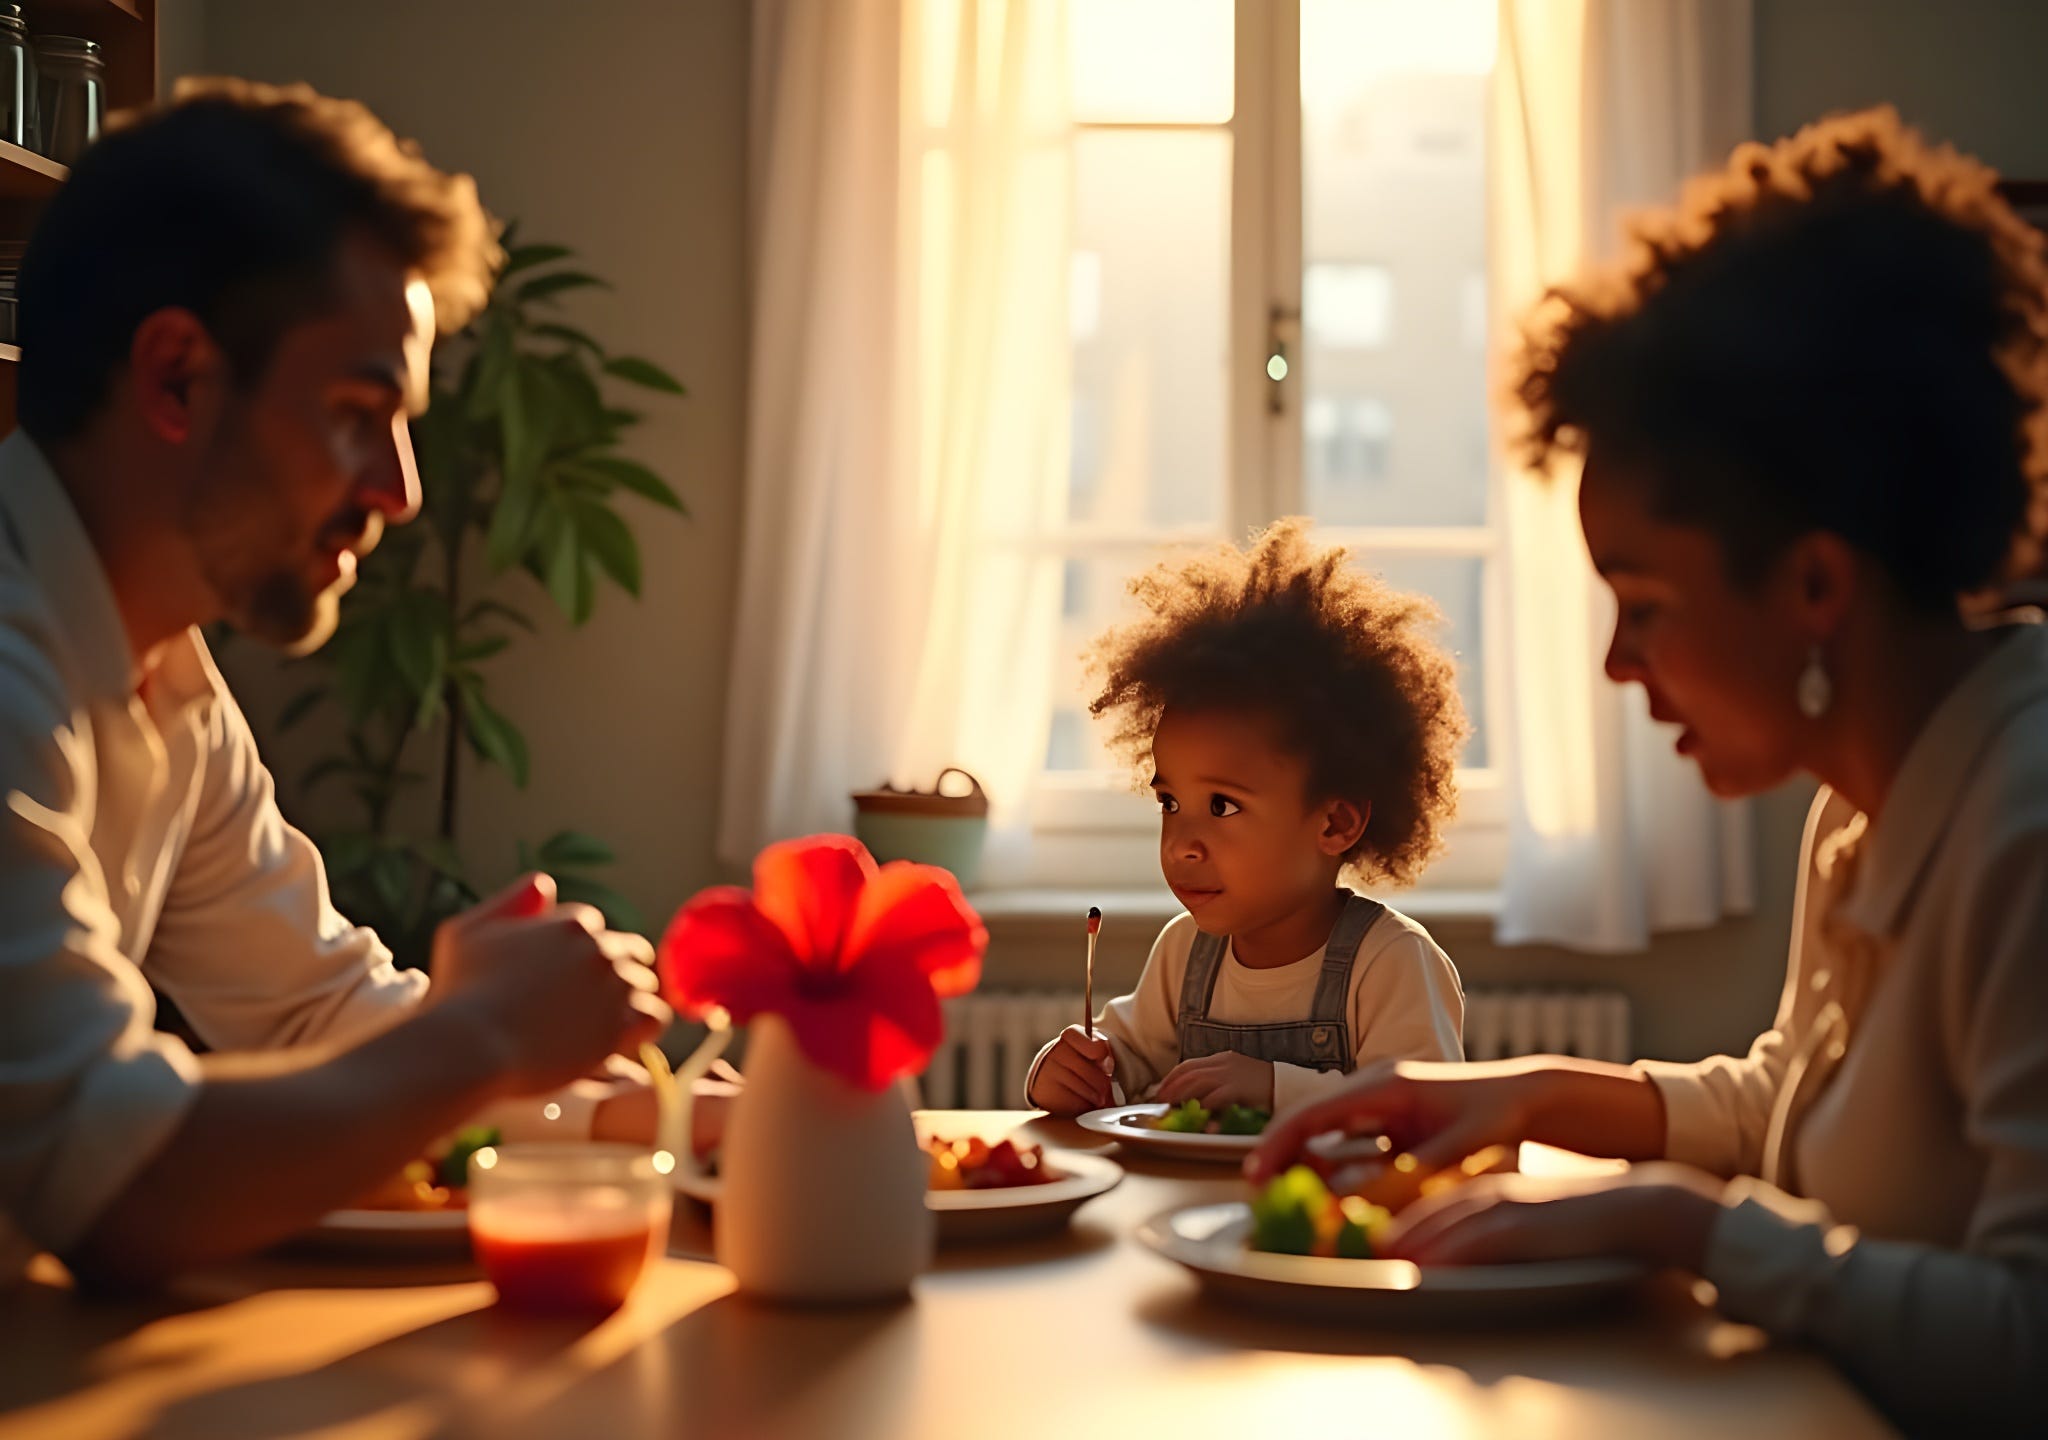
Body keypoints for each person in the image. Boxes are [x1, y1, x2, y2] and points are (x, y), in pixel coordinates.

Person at [1248, 108, 2048, 1428]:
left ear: (1813, 582)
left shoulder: (2021, 831)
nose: (1621, 664)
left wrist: (1685, 1227)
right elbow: (1788, 1103)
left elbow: (2026, 1344)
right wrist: (1502, 1094)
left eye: (1646, 599)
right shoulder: (1868, 806)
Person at [0, 79, 674, 1287]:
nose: (402, 489)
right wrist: (484, 1036)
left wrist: (624, 1104)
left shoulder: (163, 678)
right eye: (360, 411)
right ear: (175, 379)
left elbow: (317, 1011)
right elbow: (109, 1177)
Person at [1026, 520, 1467, 1119]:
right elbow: (1121, 1060)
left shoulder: (1390, 961)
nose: (1182, 843)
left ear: (1335, 822)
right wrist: (1064, 1071)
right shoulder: (1185, 951)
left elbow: (1427, 1110)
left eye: (1223, 806)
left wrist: (1276, 1087)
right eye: (1169, 803)